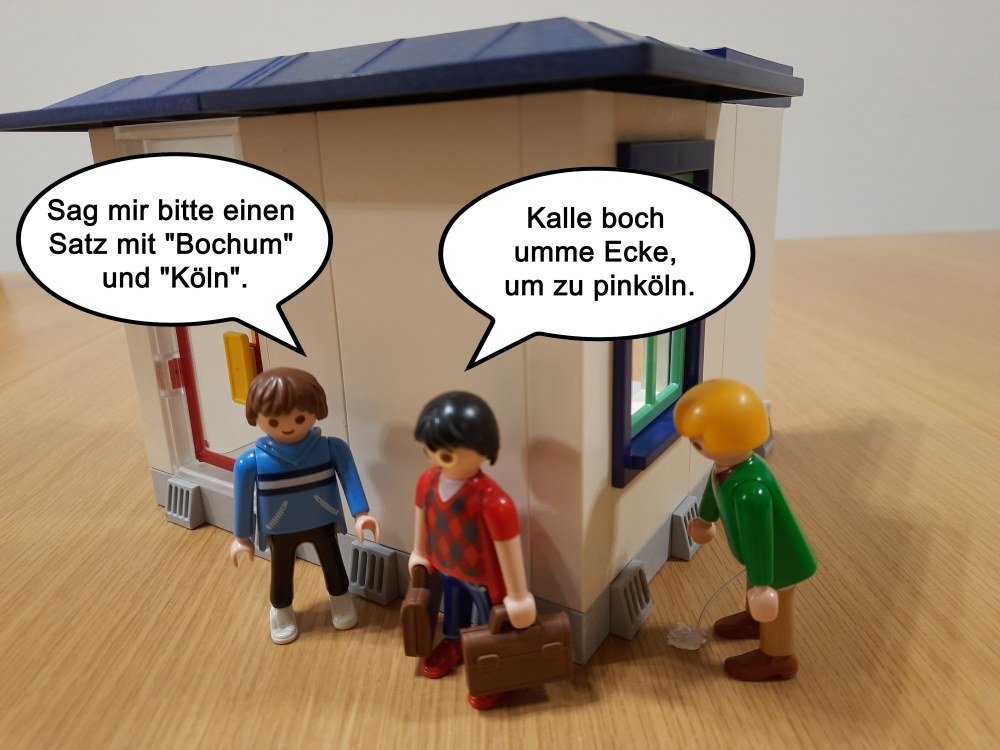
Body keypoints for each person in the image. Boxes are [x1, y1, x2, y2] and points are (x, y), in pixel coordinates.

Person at [674, 379, 816, 680]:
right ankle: (756, 621)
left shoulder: (752, 491)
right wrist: (706, 519)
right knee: (756, 583)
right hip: (759, 557)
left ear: (727, 437)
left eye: (698, 441)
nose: (694, 444)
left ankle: (778, 657)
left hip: (780, 560)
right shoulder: (728, 467)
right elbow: (714, 490)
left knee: (777, 606)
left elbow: (762, 539)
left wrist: (763, 587)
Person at [229, 367, 380, 644]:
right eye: (274, 421)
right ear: (256, 416)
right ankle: (281, 609)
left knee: (332, 560)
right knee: (281, 567)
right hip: (279, 525)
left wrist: (361, 514)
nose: (288, 426)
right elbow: (242, 499)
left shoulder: (331, 448)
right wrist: (242, 537)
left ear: (315, 410)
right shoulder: (251, 462)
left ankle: (340, 598)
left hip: (321, 518)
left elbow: (350, 478)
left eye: (299, 418)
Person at [408, 391, 535, 710]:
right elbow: (422, 515)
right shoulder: (426, 482)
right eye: (429, 450)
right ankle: (454, 642)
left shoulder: (493, 501)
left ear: (483, 451)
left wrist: (519, 595)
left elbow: (508, 549)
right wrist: (419, 551)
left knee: (490, 623)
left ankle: (493, 668)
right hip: (447, 568)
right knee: (454, 610)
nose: (435, 459)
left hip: (485, 580)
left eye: (445, 454)